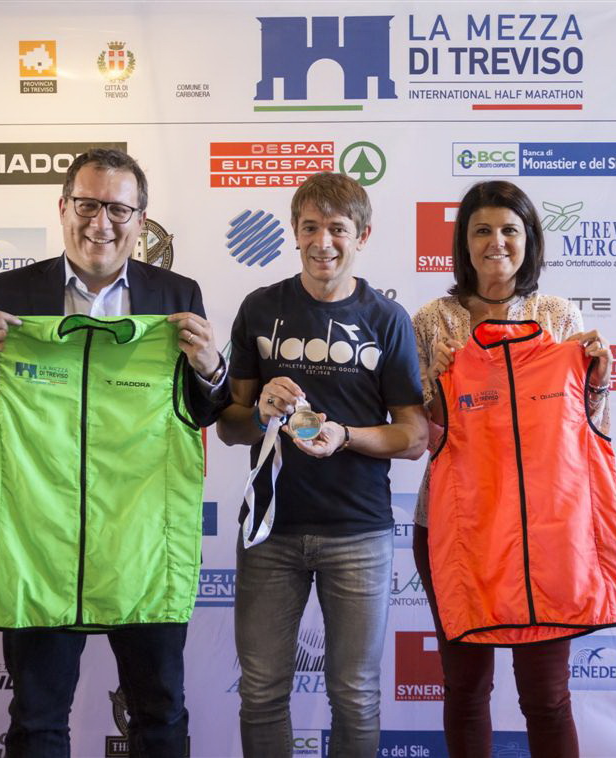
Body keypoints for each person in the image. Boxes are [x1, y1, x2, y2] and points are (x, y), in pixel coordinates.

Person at [0, 147, 229, 758]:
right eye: (88, 205)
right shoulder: (9, 291)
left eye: (118, 209)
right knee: (37, 719)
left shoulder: (177, 294)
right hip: (39, 544)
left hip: (144, 544)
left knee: (160, 713)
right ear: (63, 207)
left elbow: (203, 414)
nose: (102, 223)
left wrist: (210, 367)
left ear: (141, 220)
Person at [216, 171, 428, 758]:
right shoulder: (260, 308)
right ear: (294, 231)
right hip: (269, 530)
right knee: (261, 692)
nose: (322, 242)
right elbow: (229, 426)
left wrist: (346, 436)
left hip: (358, 531)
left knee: (355, 695)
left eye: (337, 228)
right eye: (310, 227)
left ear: (362, 235)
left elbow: (414, 436)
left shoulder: (386, 318)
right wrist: (260, 412)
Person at [412, 180, 616, 758]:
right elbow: (421, 433)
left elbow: (587, 426)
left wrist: (598, 378)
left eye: (509, 229)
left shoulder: (559, 315)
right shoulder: (431, 321)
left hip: (544, 531)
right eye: (482, 230)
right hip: (458, 526)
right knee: (465, 689)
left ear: (530, 240)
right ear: (463, 241)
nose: (496, 242)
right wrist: (438, 384)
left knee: (546, 696)